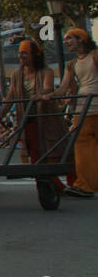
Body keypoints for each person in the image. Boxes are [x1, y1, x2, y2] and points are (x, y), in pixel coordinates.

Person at [0, 39, 65, 192]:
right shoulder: (17, 74)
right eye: (20, 53)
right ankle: (46, 184)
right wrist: (0, 114)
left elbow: (48, 88)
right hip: (28, 119)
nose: (21, 56)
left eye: (25, 53)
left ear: (35, 55)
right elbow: (11, 96)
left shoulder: (46, 71)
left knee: (52, 151)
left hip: (46, 118)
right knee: (35, 154)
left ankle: (58, 183)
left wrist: (40, 95)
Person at [54, 28, 98, 197]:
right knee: (81, 149)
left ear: (81, 39)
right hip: (82, 109)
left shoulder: (95, 55)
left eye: (69, 38)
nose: (66, 42)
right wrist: (47, 95)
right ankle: (84, 186)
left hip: (97, 105)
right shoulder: (71, 64)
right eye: (65, 39)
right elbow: (64, 88)